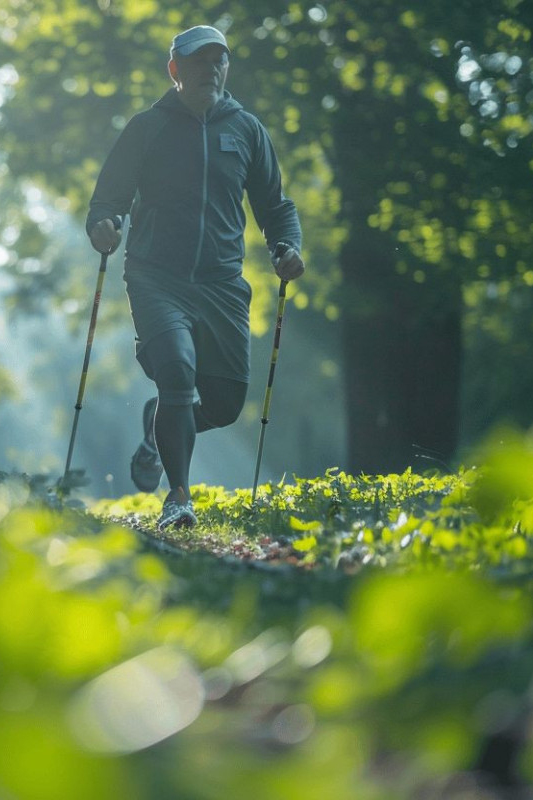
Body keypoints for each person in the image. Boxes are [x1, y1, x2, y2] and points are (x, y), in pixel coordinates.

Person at [85, 24, 305, 531]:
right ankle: (179, 497)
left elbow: (276, 206)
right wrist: (105, 224)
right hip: (155, 275)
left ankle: (157, 424)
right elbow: (108, 198)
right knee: (178, 370)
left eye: (220, 61)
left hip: (222, 282)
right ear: (175, 69)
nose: (212, 69)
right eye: (201, 61)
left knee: (225, 404)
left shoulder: (246, 129)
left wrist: (286, 247)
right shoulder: (147, 127)